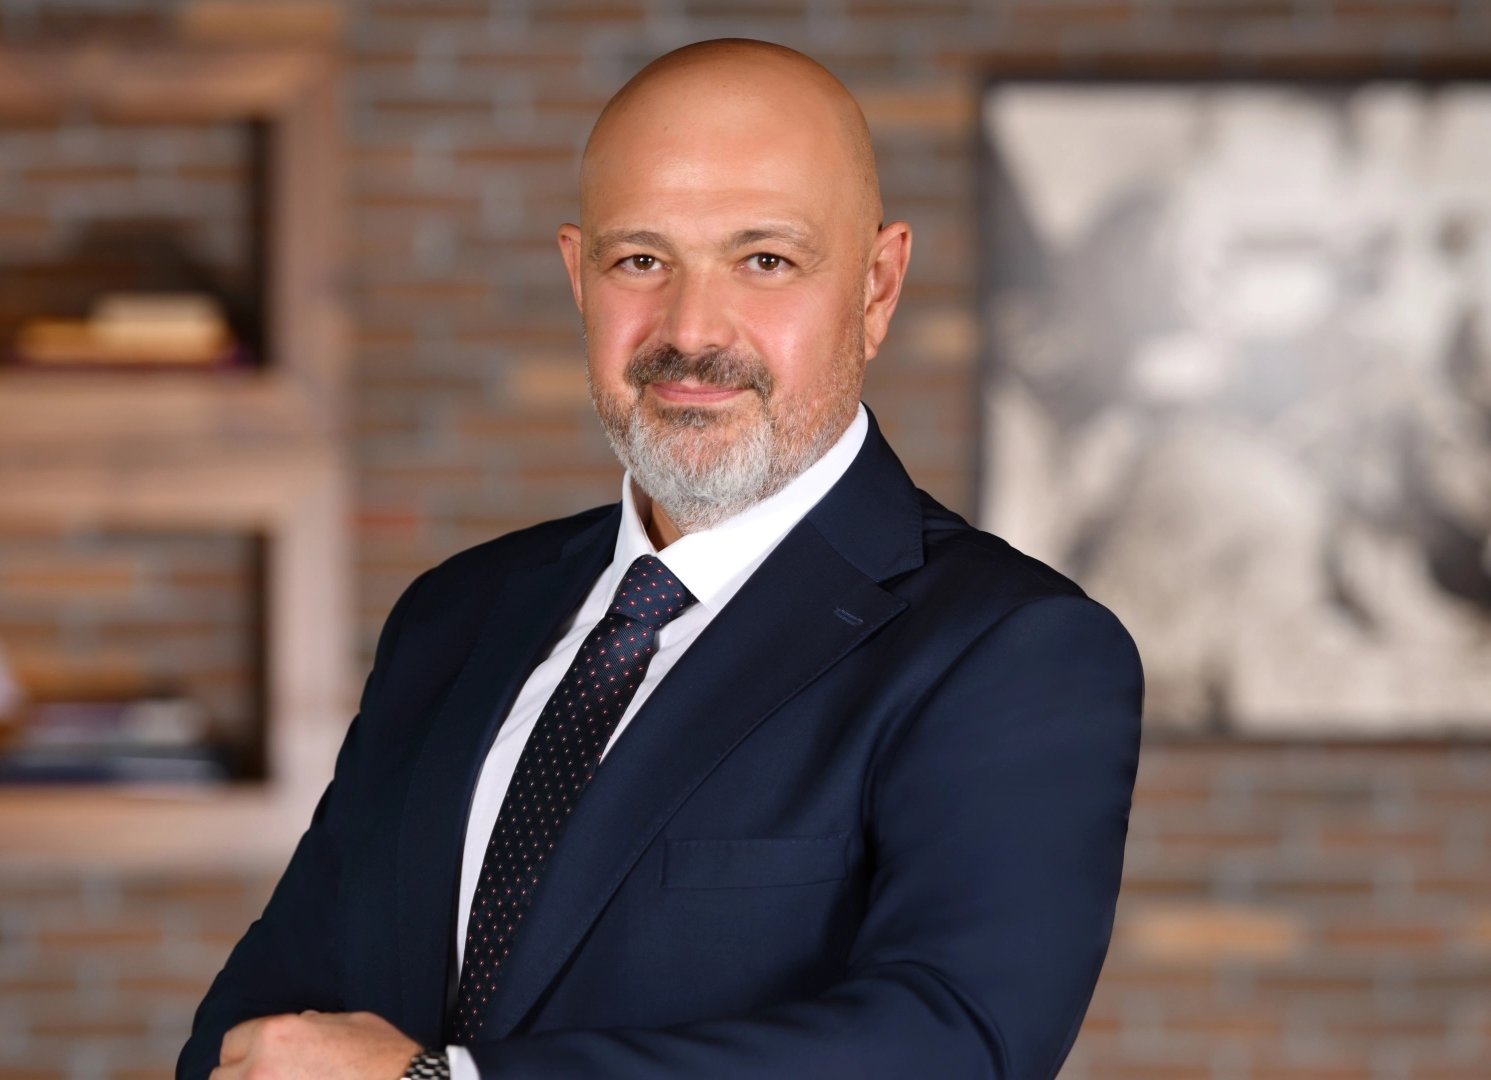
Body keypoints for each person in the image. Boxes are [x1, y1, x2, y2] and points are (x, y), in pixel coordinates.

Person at [180, 39, 1143, 1080]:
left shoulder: (1007, 649)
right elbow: (270, 1022)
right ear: (577, 275)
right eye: (640, 260)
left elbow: (956, 1046)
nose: (689, 330)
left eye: (763, 260)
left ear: (876, 286)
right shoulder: (453, 614)